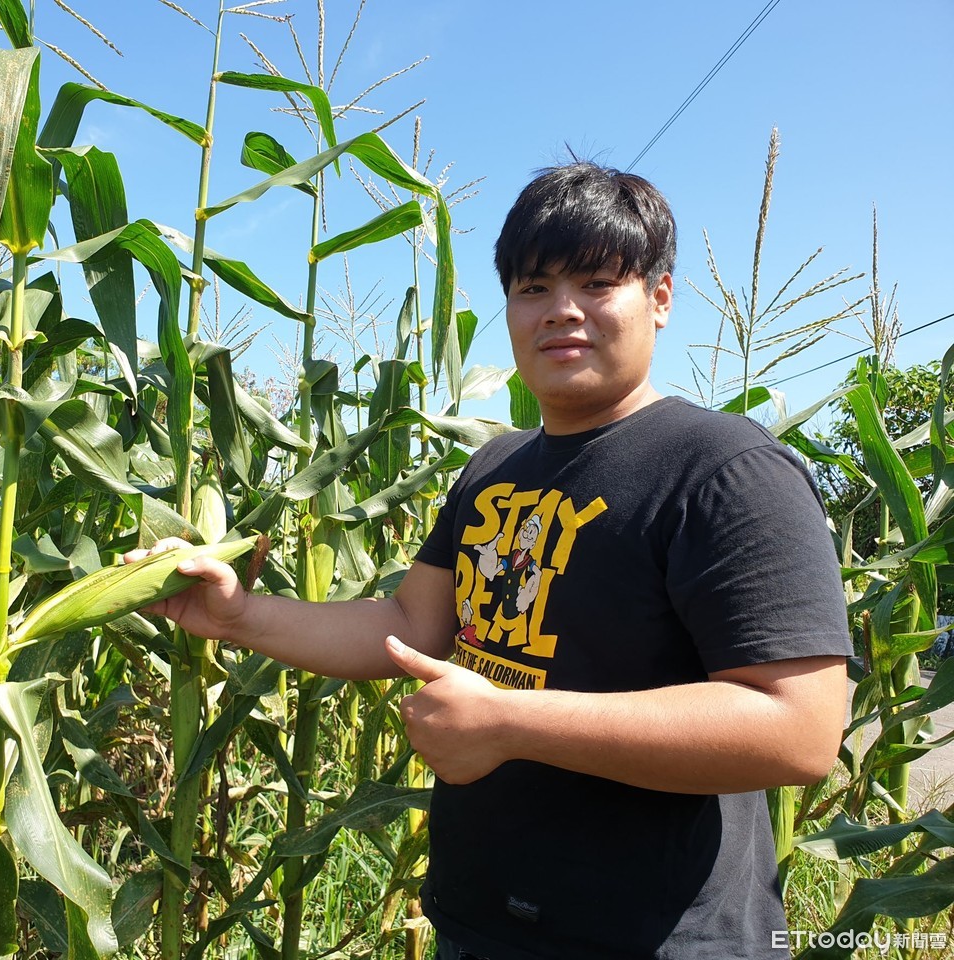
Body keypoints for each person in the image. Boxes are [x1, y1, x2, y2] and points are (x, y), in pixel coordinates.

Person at [126, 163, 850, 959]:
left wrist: (509, 722)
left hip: (657, 940)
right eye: (534, 287)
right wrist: (240, 615)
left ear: (660, 298)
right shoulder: (494, 468)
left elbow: (799, 728)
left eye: (597, 282)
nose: (561, 309)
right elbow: (410, 624)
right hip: (476, 923)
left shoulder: (722, 470)